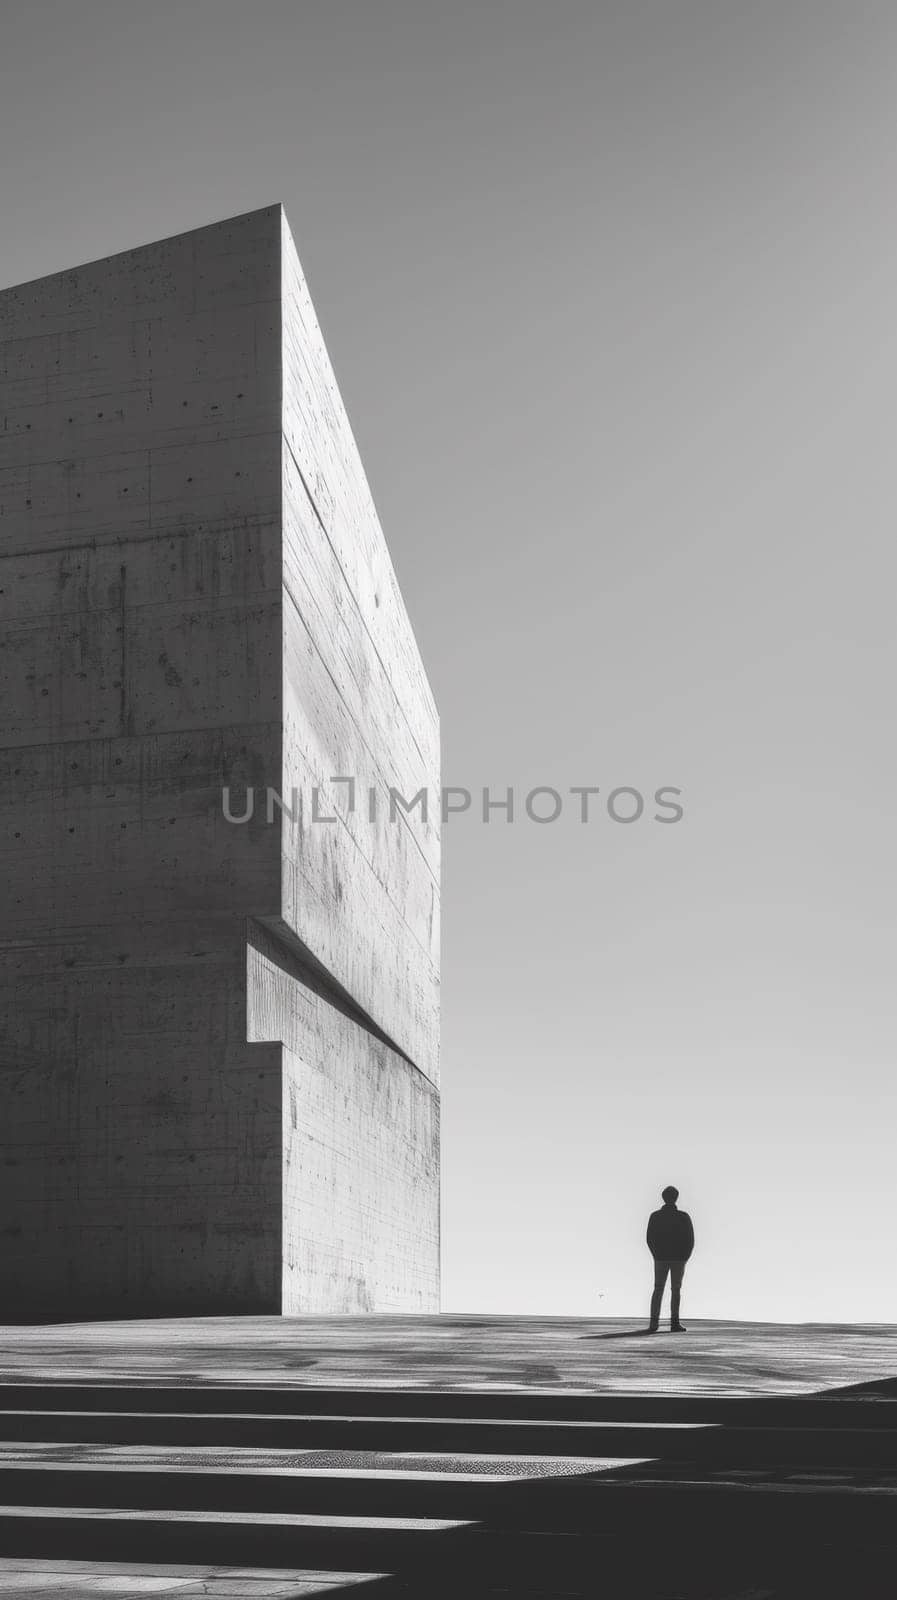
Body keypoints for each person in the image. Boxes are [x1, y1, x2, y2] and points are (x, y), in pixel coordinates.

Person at [646, 1185, 694, 1333]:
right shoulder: (683, 1217)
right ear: (676, 1198)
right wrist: (685, 1256)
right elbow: (690, 1239)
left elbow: (649, 1238)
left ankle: (654, 1323)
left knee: (658, 1289)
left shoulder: (655, 1216)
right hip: (678, 1258)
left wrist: (656, 1254)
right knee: (676, 1290)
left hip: (661, 1257)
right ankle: (674, 1322)